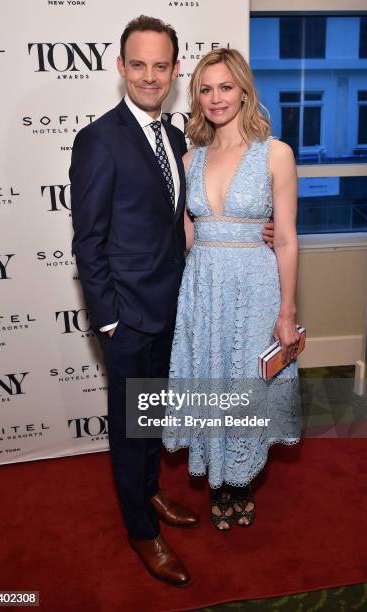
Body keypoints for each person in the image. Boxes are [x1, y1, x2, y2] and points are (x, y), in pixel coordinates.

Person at [71, 17, 274, 583]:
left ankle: (153, 493)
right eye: (139, 64)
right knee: (130, 426)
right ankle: (141, 531)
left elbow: (191, 220)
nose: (150, 75)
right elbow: (87, 241)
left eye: (161, 65)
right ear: (120, 67)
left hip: (179, 310)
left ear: (175, 70)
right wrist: (108, 320)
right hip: (129, 319)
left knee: (154, 421)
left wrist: (249, 231)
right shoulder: (98, 140)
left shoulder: (180, 139)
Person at [163, 48, 301, 531]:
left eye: (225, 86)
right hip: (203, 287)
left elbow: (284, 236)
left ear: (244, 89)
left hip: (255, 285)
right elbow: (185, 235)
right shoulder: (190, 157)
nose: (216, 98)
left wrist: (286, 310)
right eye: (205, 89)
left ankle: (238, 481)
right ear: (196, 98)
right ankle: (220, 480)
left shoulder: (275, 153)